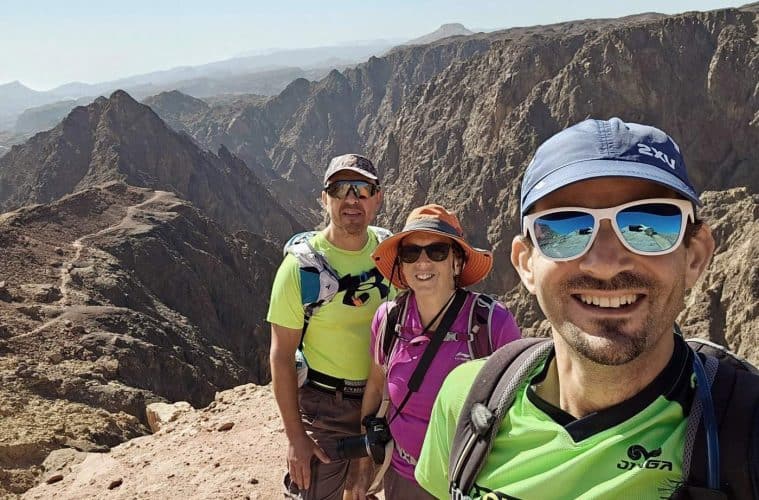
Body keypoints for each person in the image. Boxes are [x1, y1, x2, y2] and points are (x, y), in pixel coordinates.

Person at [415, 118, 759, 498]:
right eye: (565, 229)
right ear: (526, 265)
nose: (605, 264)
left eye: (646, 224)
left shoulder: (745, 431)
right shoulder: (467, 397)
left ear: (694, 256)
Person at [350, 204, 521, 499]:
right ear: (401, 265)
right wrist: (362, 469)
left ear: (456, 262)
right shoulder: (388, 320)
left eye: (437, 251)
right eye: (411, 253)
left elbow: (518, 411)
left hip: (470, 482)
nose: (423, 262)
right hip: (404, 476)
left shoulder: (491, 323)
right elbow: (376, 388)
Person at [268, 153, 393, 500]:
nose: (352, 199)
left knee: (365, 490)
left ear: (377, 198)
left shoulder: (394, 256)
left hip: (382, 402)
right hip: (324, 408)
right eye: (340, 189)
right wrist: (296, 437)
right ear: (325, 199)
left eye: (362, 189)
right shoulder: (299, 269)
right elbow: (280, 356)